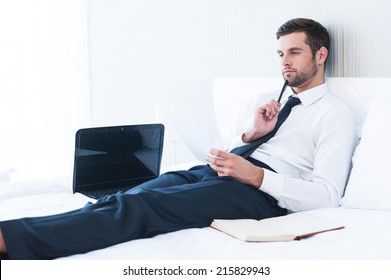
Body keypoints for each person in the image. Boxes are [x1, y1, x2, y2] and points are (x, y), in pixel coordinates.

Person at [0, 18, 357, 259]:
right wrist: (251, 134)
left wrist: (256, 175)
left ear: (320, 55)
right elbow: (238, 148)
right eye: (280, 54)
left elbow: (327, 196)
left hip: (260, 192)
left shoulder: (334, 115)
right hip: (220, 173)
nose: (284, 62)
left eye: (294, 52)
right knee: (132, 193)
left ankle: (11, 240)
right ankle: (44, 229)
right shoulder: (270, 101)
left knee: (140, 208)